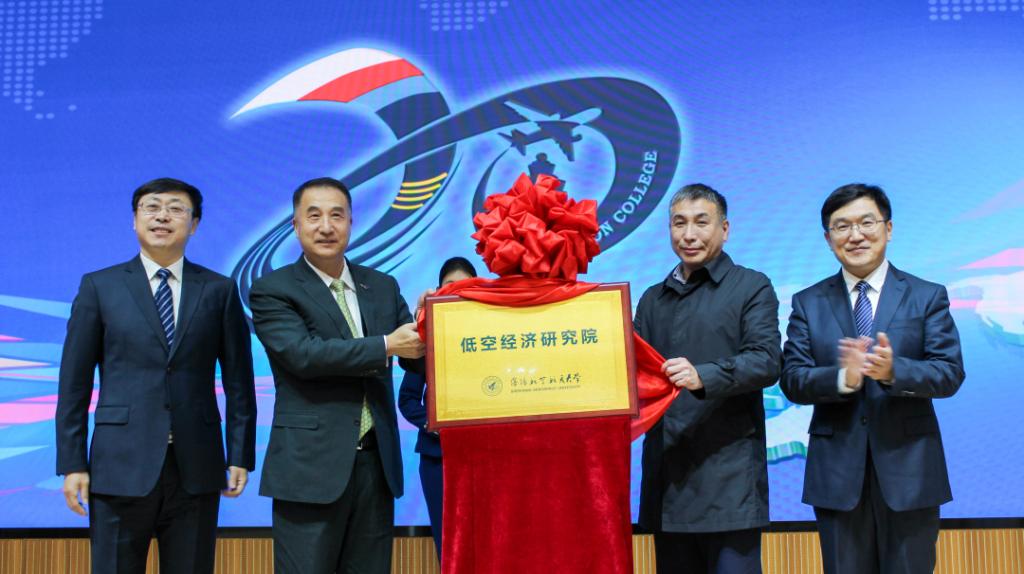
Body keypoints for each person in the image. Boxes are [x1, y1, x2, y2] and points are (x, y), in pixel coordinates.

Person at [55, 177, 257, 574]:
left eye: (176, 209)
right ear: (135, 220)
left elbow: (239, 382)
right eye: (152, 207)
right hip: (118, 465)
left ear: (194, 224)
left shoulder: (218, 290)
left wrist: (239, 455)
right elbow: (74, 384)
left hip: (196, 465)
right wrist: (73, 462)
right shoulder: (100, 286)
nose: (162, 216)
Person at [780, 183, 964, 574]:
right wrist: (842, 379)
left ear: (888, 228)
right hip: (837, 477)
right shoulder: (808, 302)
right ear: (828, 238)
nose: (856, 235)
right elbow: (793, 379)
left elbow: (949, 373)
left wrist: (895, 371)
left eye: (867, 222)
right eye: (842, 226)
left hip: (911, 472)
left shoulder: (926, 295)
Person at [249, 176, 425, 574]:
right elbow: (303, 355)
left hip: (376, 467)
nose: (326, 226)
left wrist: (432, 323)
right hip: (309, 469)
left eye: (337, 215)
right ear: (295, 225)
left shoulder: (381, 285)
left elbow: (413, 356)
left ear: (350, 222)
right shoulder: (272, 289)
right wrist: (386, 345)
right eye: (314, 216)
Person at [634, 183, 781, 573]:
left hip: (730, 482)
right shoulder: (651, 299)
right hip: (668, 481)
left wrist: (703, 376)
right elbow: (632, 373)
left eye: (701, 222)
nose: (689, 234)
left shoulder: (751, 286)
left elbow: (767, 361)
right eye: (679, 223)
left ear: (724, 229)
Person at [397, 256, 477, 560]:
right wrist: (436, 425)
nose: (458, 291)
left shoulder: (494, 334)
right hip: (438, 457)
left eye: (466, 286)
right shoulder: (426, 337)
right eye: (449, 286)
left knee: (489, 539)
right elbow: (407, 400)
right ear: (438, 291)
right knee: (449, 543)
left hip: (485, 455)